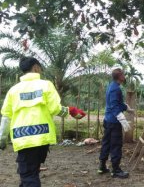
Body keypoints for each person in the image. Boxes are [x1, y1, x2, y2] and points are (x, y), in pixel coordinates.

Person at [0, 57, 85, 187]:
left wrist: (2, 138)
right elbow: (55, 109)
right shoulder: (46, 85)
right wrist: (71, 111)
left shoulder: (13, 90)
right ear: (36, 68)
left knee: (28, 175)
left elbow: (6, 116)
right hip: (42, 137)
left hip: (23, 138)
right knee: (31, 173)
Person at [98, 68, 131, 178]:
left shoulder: (112, 86)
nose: (124, 76)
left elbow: (118, 103)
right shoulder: (115, 89)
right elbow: (114, 106)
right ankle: (116, 170)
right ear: (119, 76)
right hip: (113, 121)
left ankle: (102, 167)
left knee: (106, 143)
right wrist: (123, 120)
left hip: (108, 120)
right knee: (116, 145)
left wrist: (126, 107)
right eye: (123, 74)